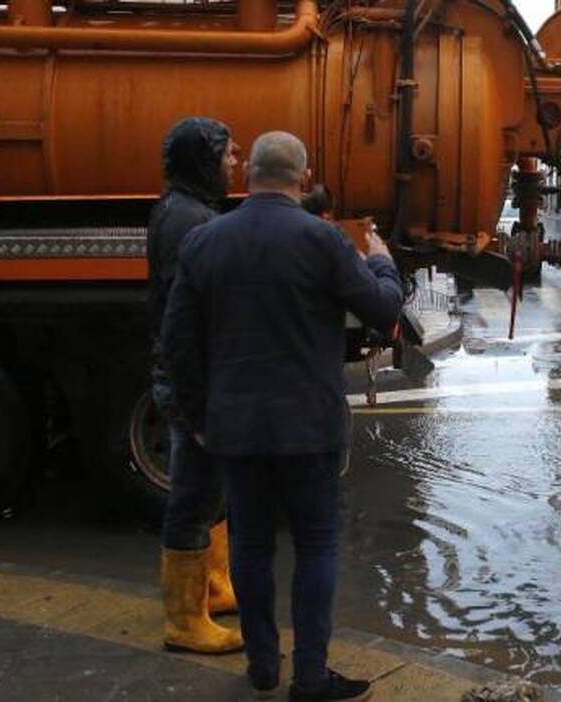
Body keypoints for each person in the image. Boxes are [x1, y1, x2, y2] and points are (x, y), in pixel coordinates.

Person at [162, 131, 403, 701]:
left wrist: (198, 416)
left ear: (249, 177)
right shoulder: (321, 240)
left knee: (249, 544)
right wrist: (384, 264)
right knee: (316, 546)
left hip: (235, 428)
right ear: (303, 175)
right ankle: (311, 676)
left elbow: (177, 343)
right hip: (308, 428)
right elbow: (383, 312)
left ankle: (263, 665)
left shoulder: (203, 242)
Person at [147, 116, 243, 655]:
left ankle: (212, 588)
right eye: (228, 156)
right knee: (193, 494)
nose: (234, 164)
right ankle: (185, 620)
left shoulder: (184, 208)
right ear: (204, 161)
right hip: (195, 381)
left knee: (211, 489)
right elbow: (187, 325)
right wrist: (200, 404)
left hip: (194, 377)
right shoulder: (191, 222)